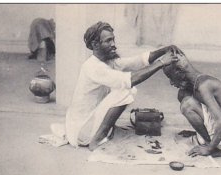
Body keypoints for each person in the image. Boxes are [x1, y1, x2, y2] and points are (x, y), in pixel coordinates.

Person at [58, 21, 180, 151]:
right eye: (108, 41)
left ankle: (102, 131)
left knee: (126, 89)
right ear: (95, 44)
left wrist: (164, 50)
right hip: (81, 132)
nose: (113, 44)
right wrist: (161, 62)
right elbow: (131, 79)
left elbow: (137, 61)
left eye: (113, 39)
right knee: (126, 90)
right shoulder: (93, 67)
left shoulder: (106, 61)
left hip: (84, 123)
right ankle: (97, 138)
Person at [162, 51, 221, 157]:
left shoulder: (204, 86)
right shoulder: (198, 81)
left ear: (179, 72)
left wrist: (209, 149)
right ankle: (205, 138)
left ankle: (212, 146)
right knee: (183, 95)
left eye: (171, 77)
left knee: (187, 104)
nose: (171, 83)